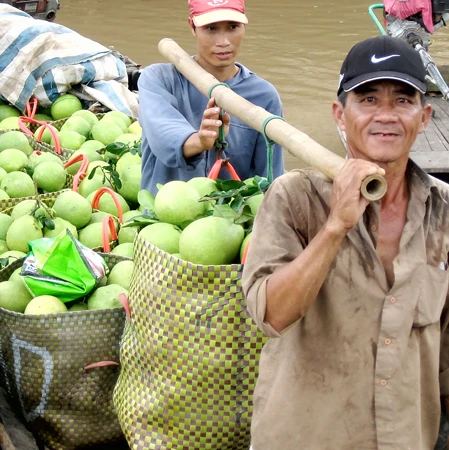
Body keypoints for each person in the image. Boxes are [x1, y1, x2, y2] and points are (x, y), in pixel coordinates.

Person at [242, 35, 449, 450]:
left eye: (403, 101)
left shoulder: (443, 212)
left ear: (424, 117)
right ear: (340, 114)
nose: (385, 116)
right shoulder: (293, 197)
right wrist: (335, 226)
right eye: (368, 100)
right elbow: (271, 315)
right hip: (306, 437)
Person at [138, 0, 284, 196]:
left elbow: (268, 178)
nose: (223, 41)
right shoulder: (159, 80)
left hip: (230, 221)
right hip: (162, 217)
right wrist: (201, 141)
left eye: (232, 27)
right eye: (211, 28)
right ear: (192, 26)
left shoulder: (264, 96)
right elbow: (163, 138)